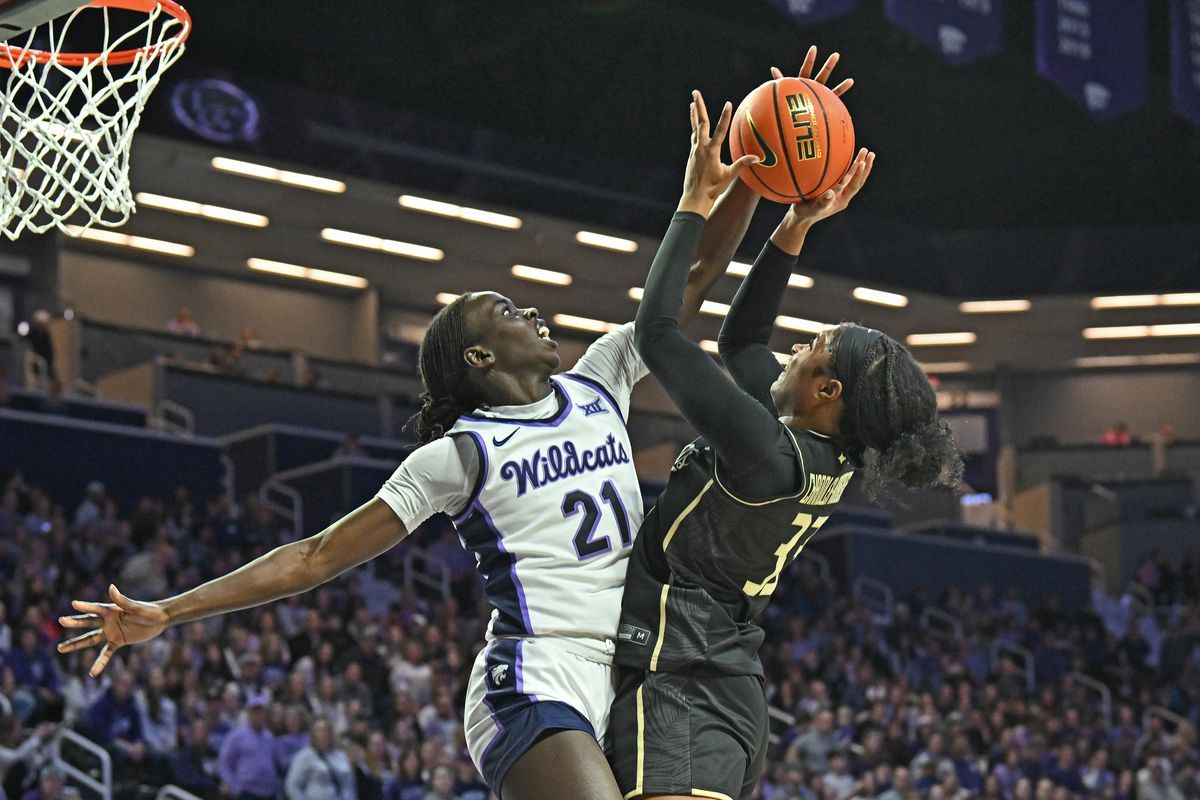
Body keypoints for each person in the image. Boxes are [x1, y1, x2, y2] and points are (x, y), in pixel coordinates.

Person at [55, 62, 777, 797]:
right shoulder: (458, 455)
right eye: (508, 312)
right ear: (479, 355)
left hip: (630, 670)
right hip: (533, 678)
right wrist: (169, 611)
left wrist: (755, 171)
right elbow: (313, 556)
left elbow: (693, 281)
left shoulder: (599, 379)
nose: (532, 314)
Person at [607, 52, 963, 800]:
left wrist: (693, 203)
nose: (795, 345)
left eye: (813, 345)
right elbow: (740, 342)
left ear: (827, 388)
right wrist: (795, 220)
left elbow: (660, 333)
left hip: (688, 686)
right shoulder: (806, 447)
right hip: (712, 680)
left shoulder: (765, 448)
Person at [217, 692, 279, 800]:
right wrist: (234, 786)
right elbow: (224, 764)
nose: (258, 715)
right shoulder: (236, 736)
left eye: (261, 711)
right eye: (255, 711)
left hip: (268, 793)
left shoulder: (268, 736)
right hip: (247, 792)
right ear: (249, 713)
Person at [285, 718, 357, 800]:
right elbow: (292, 785)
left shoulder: (340, 755)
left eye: (327, 731)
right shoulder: (304, 756)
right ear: (313, 734)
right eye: (320, 731)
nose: (324, 734)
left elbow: (349, 785)